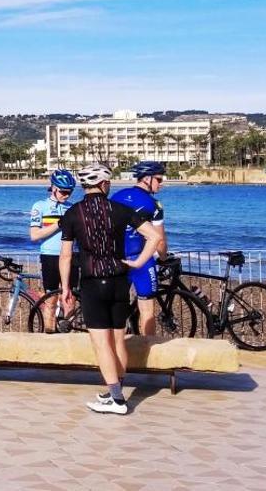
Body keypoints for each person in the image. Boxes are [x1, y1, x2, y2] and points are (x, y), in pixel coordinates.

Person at [59, 164, 162, 415]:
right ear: (104, 185)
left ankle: (117, 400)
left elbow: (65, 256)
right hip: (118, 280)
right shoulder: (120, 210)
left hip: (93, 282)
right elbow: (154, 237)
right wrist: (138, 262)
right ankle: (115, 391)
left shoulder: (73, 213)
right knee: (118, 341)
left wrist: (65, 289)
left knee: (101, 344)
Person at [110, 161, 169, 336]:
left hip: (116, 258)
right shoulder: (154, 204)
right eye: (158, 179)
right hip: (141, 260)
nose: (161, 183)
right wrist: (164, 257)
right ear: (147, 179)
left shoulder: (117, 196)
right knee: (147, 311)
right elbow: (159, 240)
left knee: (115, 308)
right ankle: (147, 351)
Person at [29, 169, 79, 333]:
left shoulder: (73, 207)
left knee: (70, 299)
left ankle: (67, 331)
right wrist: (58, 225)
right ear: (53, 188)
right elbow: (35, 235)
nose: (66, 195)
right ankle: (49, 333)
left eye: (70, 192)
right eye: (63, 192)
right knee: (50, 299)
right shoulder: (40, 206)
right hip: (50, 255)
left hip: (71, 256)